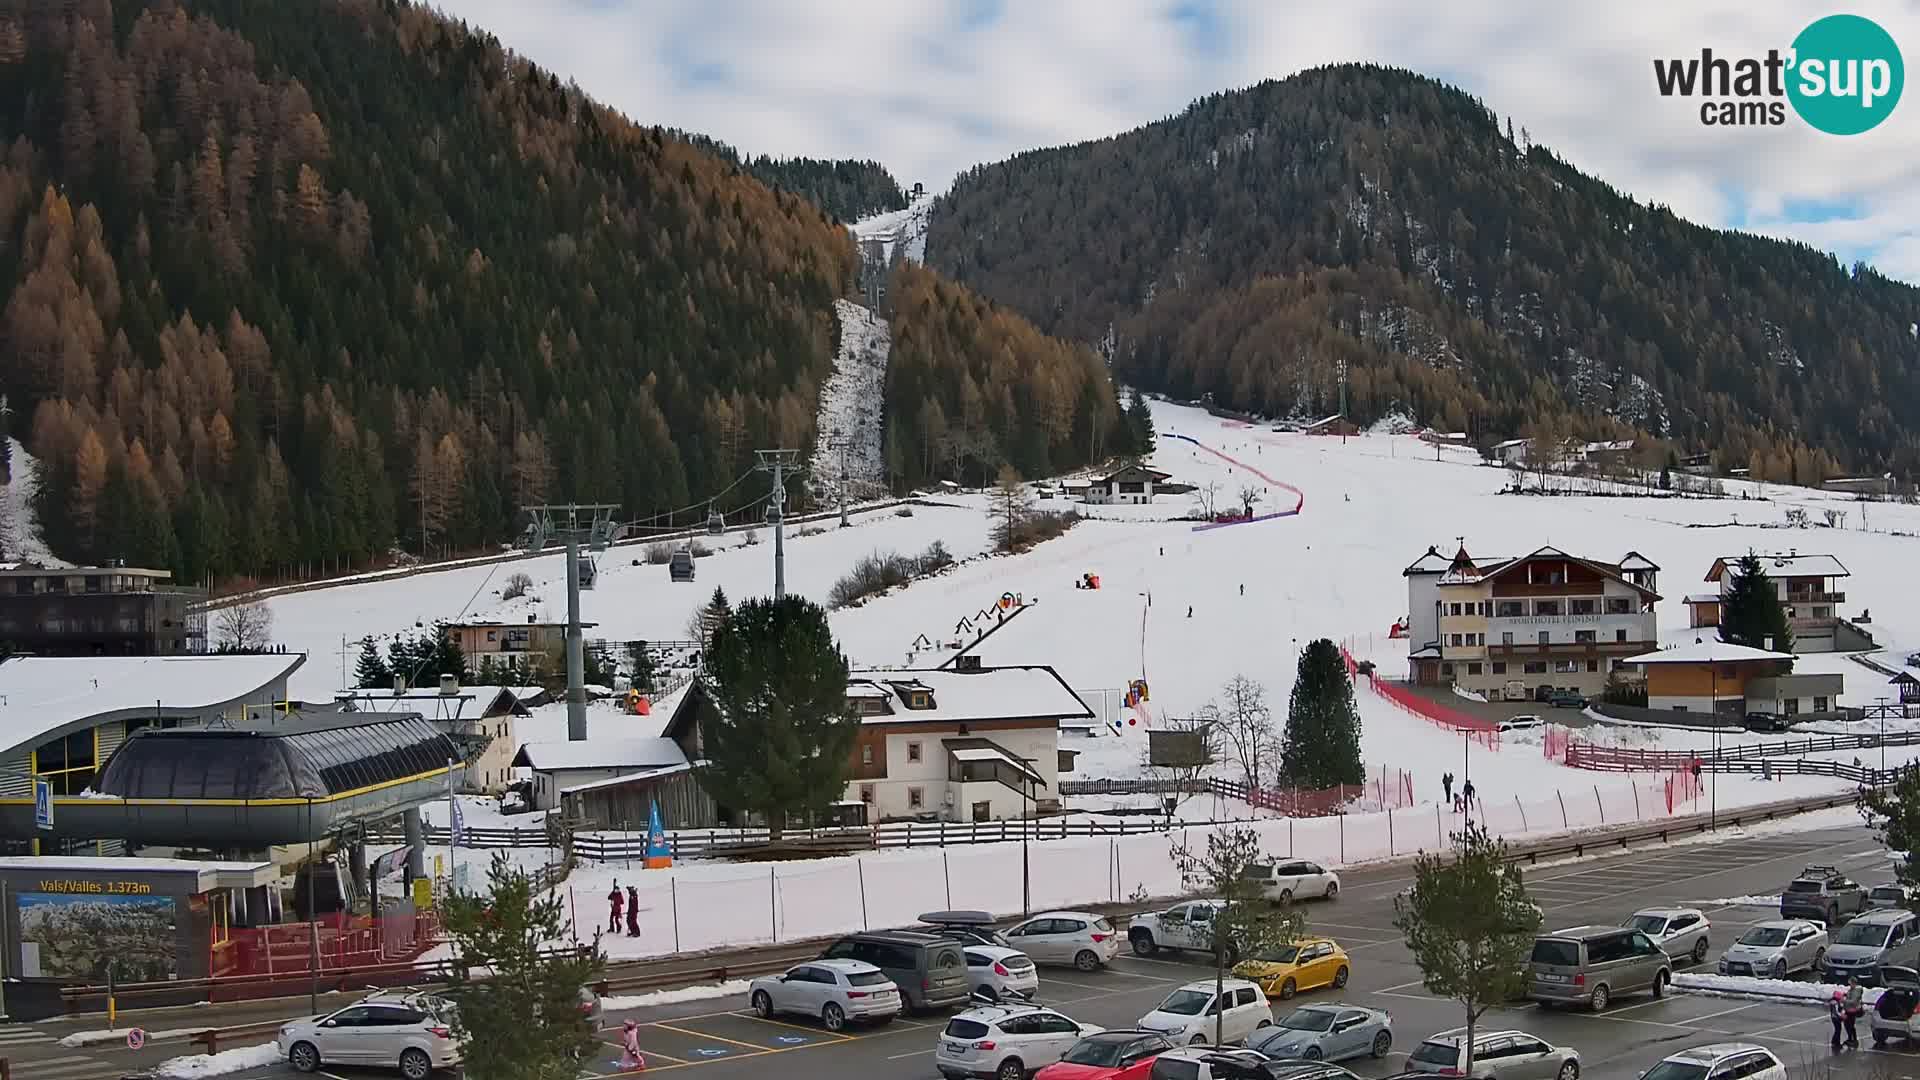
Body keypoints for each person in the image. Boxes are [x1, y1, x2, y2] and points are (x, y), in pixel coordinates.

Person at [1844, 977, 1864, 1047]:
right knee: (1847, 1025)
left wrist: (1844, 1001)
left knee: (1850, 1025)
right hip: (1848, 1010)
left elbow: (1853, 1001)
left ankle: (1854, 1040)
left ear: (1854, 983)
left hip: (1852, 1011)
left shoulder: (1856, 991)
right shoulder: (1851, 990)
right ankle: (1850, 1039)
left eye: (1851, 983)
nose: (1850, 985)